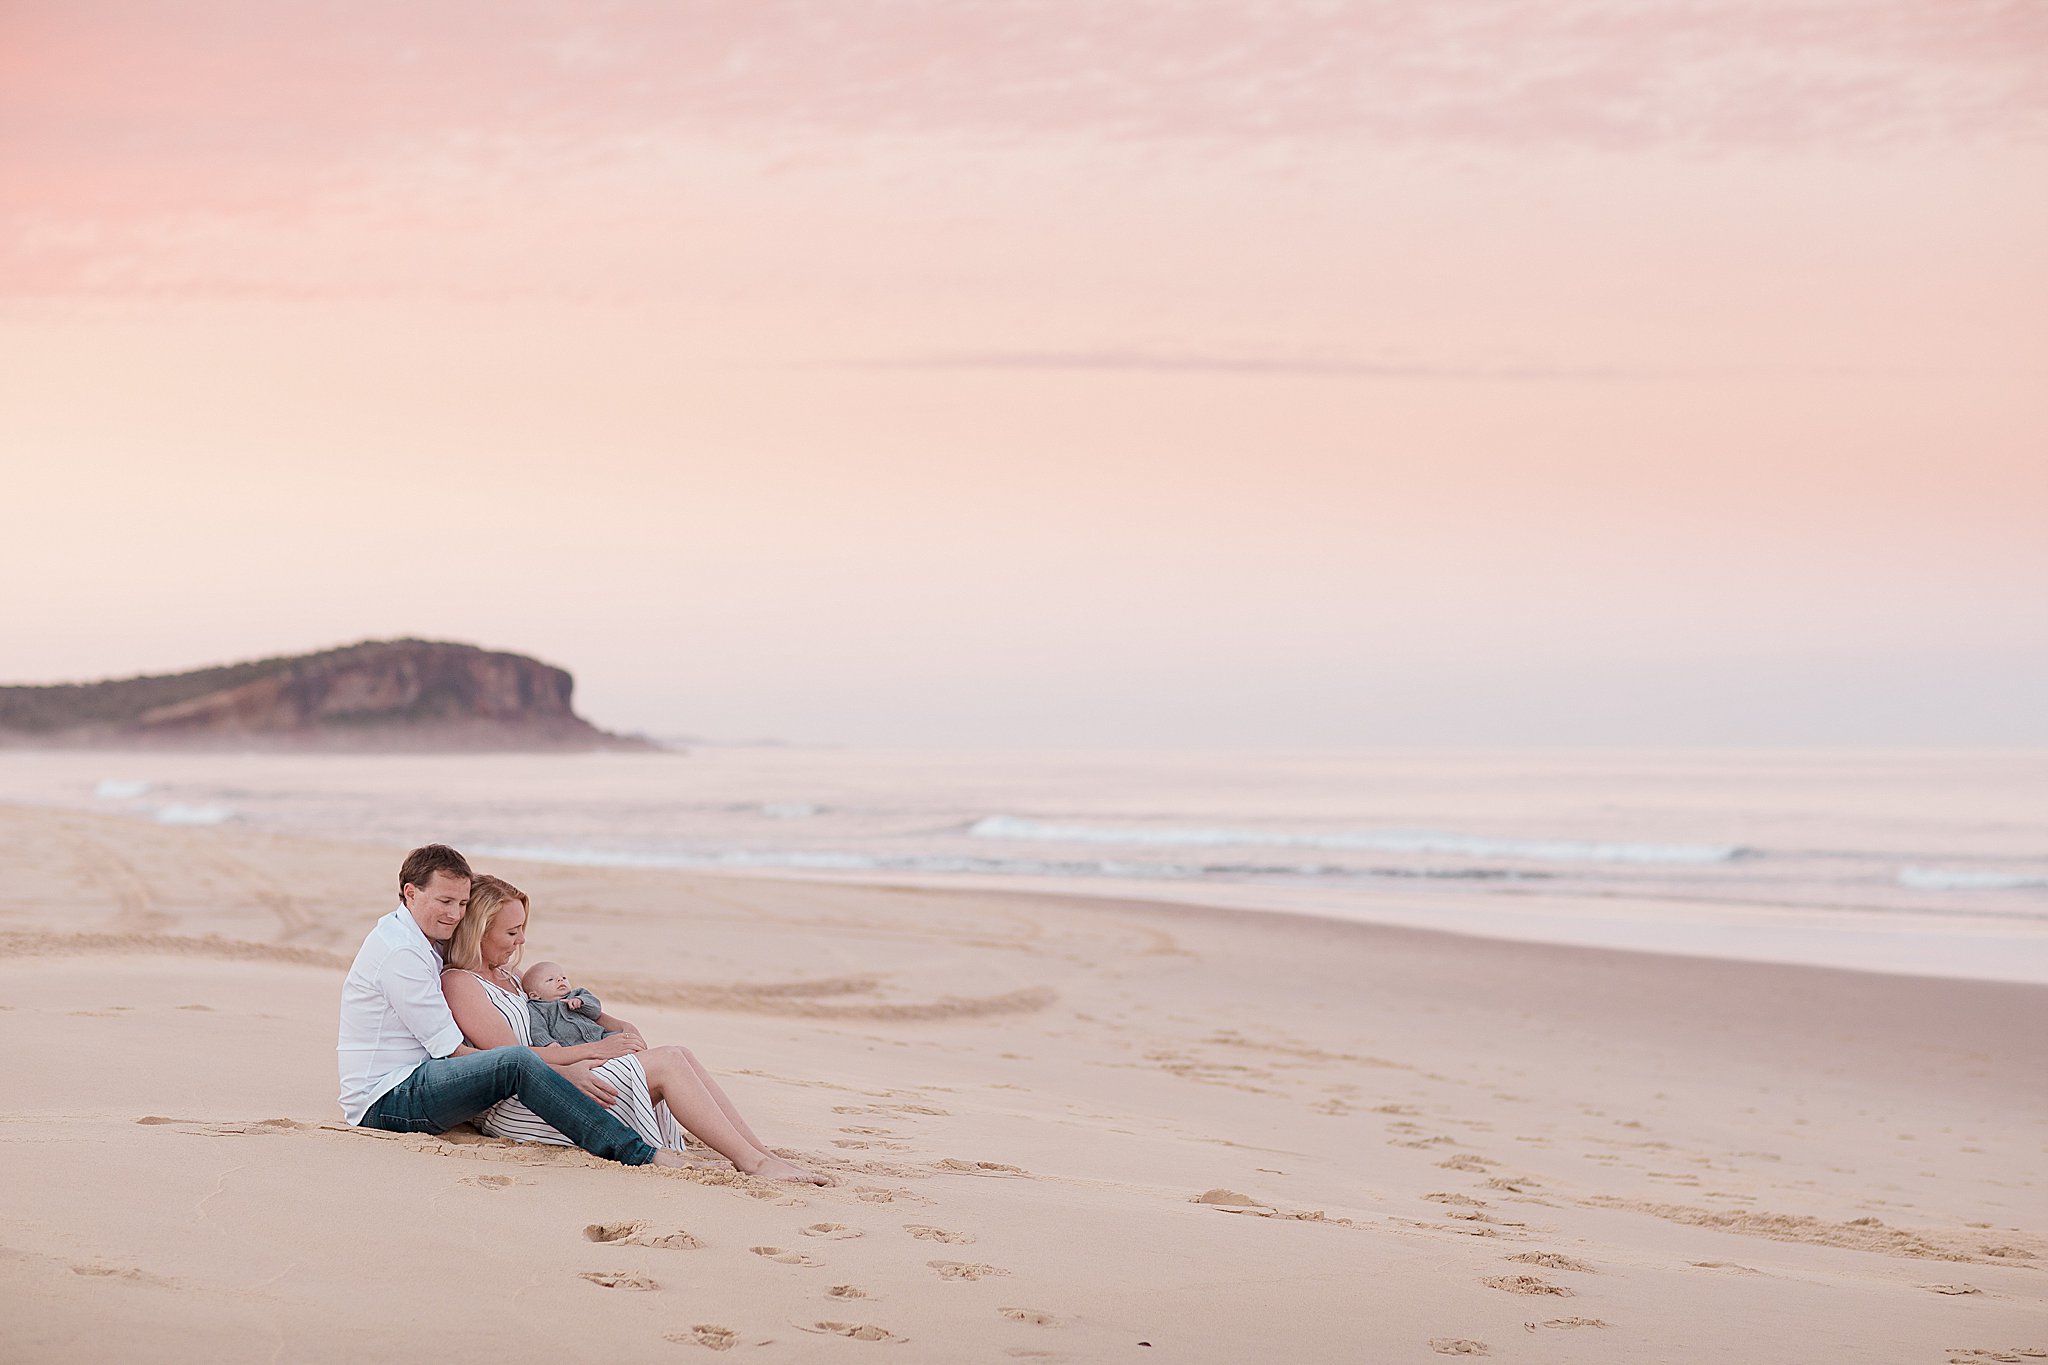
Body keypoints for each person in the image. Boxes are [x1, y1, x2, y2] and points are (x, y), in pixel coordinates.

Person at [440, 874, 826, 1184]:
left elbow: (561, 1013)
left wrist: (616, 1026)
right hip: (526, 1100)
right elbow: (513, 1060)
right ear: (480, 929)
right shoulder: (461, 982)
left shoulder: (510, 974)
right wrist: (590, 1053)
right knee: (670, 1061)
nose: (522, 940)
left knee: (681, 1053)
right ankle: (753, 1163)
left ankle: (761, 1154)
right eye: (511, 932)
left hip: (564, 1073)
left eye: (523, 928)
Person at [337, 843, 691, 1170]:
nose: (455, 914)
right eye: (445, 902)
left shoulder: (424, 938)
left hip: (416, 1080)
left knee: (518, 1061)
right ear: (411, 893)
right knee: (515, 1063)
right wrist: (561, 1073)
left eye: (462, 904)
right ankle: (637, 1153)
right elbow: (453, 1054)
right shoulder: (402, 953)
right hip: (387, 1098)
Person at [520, 960, 618, 1048]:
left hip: (602, 1036)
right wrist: (549, 1043)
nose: (560, 980)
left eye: (563, 977)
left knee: (625, 1041)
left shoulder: (578, 994)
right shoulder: (537, 1008)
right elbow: (537, 1029)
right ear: (535, 995)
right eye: (550, 979)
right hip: (574, 1048)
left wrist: (581, 1002)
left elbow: (596, 1011)